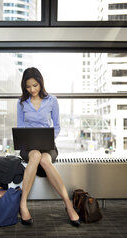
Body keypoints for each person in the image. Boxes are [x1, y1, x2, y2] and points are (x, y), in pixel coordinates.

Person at [17, 67, 80, 227]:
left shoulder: (52, 100)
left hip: (48, 144)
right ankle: (23, 204)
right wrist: (27, 142)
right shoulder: (21, 103)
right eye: (28, 86)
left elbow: (57, 126)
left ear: (41, 83)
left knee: (45, 159)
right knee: (36, 155)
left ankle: (68, 204)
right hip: (29, 146)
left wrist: (49, 140)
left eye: (35, 85)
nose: (32, 89)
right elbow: (20, 127)